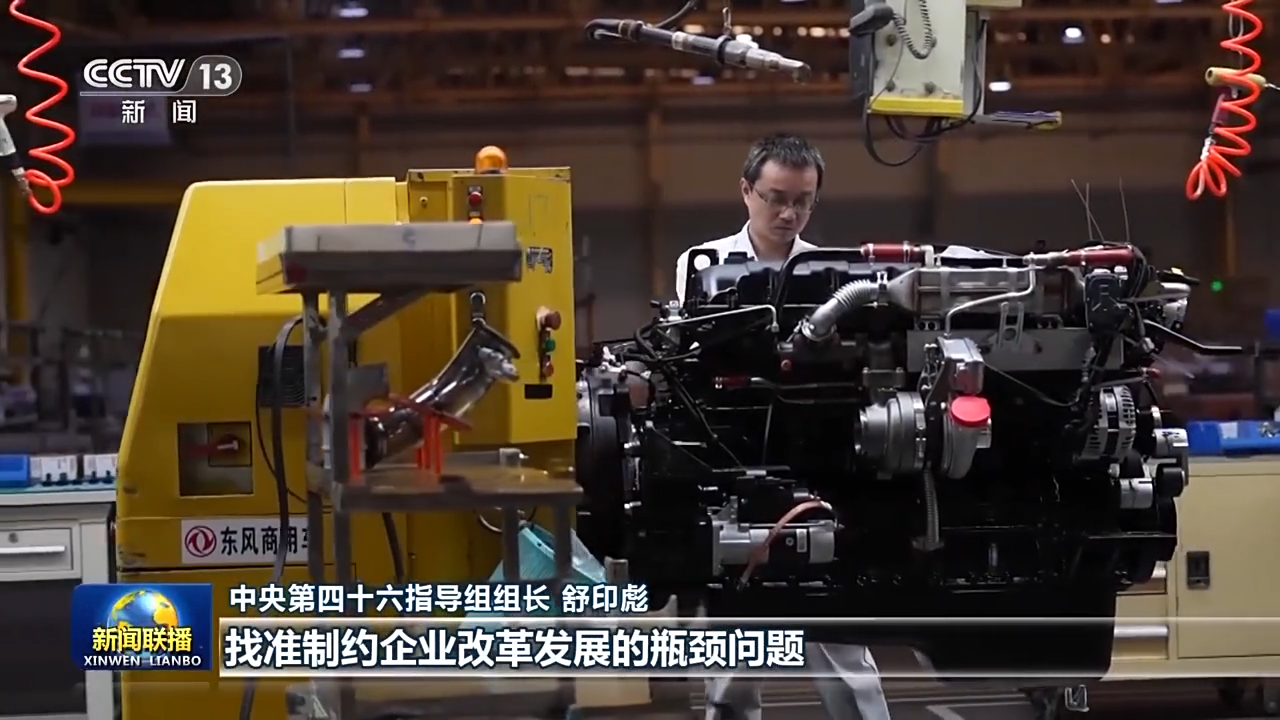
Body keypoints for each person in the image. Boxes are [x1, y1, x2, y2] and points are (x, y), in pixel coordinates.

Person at [674, 133, 893, 720]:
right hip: (730, 462)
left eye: (802, 201)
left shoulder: (836, 274)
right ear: (747, 191)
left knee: (843, 647)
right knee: (731, 657)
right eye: (776, 198)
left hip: (818, 461)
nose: (789, 213)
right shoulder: (703, 264)